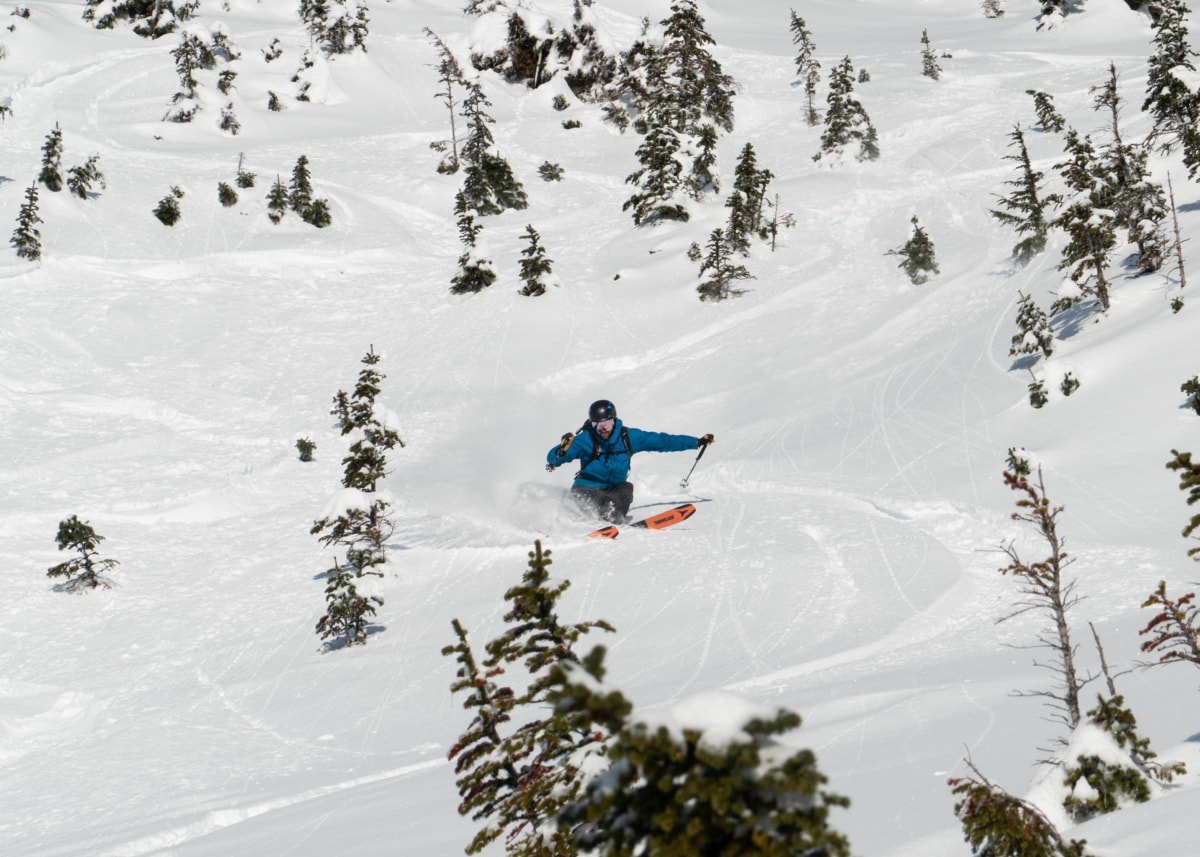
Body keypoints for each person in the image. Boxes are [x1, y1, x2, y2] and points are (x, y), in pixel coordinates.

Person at [545, 399, 713, 523]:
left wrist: (696, 442)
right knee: (599, 500)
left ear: (615, 421)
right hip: (586, 488)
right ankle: (596, 521)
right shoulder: (586, 439)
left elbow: (662, 441)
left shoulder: (629, 437)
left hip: (613, 488)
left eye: (608, 424)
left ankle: (613, 520)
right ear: (592, 424)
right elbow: (554, 460)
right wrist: (560, 451)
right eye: (598, 425)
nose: (603, 429)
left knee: (626, 489)